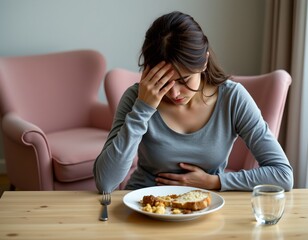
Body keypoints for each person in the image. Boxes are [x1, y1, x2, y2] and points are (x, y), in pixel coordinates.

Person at [93, 11, 293, 193]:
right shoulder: (137, 99)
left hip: (206, 207)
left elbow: (283, 175)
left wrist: (214, 182)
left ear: (204, 62)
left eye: (184, 80)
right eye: (164, 82)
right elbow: (105, 182)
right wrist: (143, 109)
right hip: (142, 206)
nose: (174, 93)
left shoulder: (232, 98)